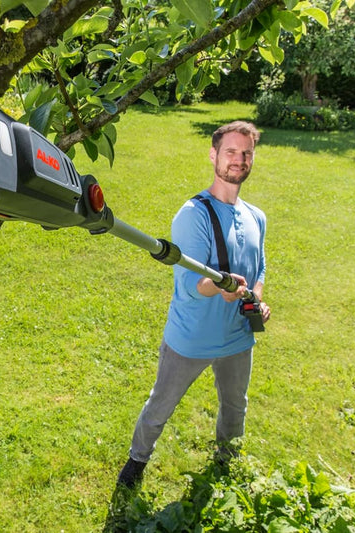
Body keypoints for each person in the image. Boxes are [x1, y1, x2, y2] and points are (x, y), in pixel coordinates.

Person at [117, 121, 271, 488]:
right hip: (191, 338)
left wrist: (257, 299)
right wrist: (220, 289)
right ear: (214, 155)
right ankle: (137, 462)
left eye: (246, 153)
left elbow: (259, 266)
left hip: (237, 338)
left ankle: (228, 460)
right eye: (231, 152)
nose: (239, 160)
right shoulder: (194, 214)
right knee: (161, 406)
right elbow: (192, 282)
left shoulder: (256, 216)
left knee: (236, 407)